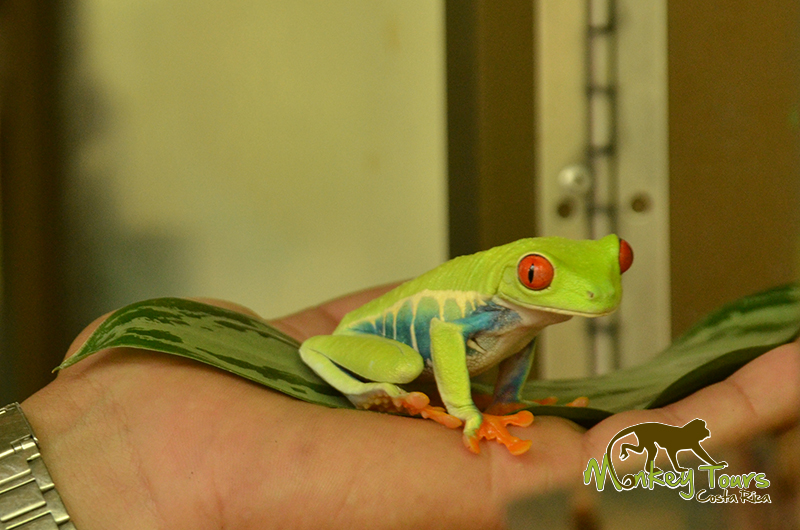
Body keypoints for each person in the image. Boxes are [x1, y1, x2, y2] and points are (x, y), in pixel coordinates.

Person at [20, 285, 800, 529]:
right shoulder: (477, 310)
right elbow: (442, 337)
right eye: (537, 273)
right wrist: (464, 415)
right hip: (388, 357)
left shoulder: (517, 318)